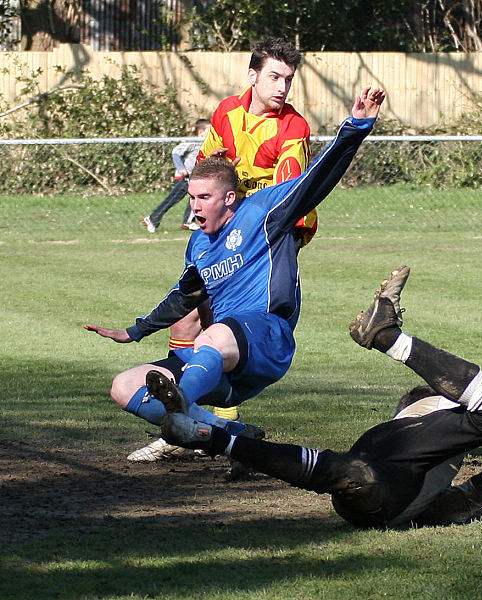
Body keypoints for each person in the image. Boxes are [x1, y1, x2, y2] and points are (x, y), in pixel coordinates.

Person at [84, 87, 387, 461]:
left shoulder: (264, 213)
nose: (194, 208)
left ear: (229, 198)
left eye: (203, 199)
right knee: (125, 386)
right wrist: (135, 331)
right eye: (191, 198)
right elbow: (186, 296)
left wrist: (356, 126)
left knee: (211, 336)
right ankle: (232, 433)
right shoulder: (198, 245)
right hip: (223, 364)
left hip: (266, 340)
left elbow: (318, 177)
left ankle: (181, 407)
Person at [157, 266, 482, 528]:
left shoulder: (440, 450)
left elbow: (458, 503)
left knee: (357, 474)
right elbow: (464, 498)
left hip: (382, 484)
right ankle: (386, 337)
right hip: (388, 469)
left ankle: (206, 436)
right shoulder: (441, 439)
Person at [129, 38, 317, 463]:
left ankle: (211, 431)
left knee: (223, 325)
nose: (283, 87)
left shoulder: (293, 128)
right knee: (190, 318)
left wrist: (241, 225)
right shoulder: (227, 113)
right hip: (224, 226)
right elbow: (210, 168)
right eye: (274, 76)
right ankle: (198, 424)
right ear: (252, 76)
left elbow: (285, 192)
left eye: (289, 79)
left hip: (266, 235)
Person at [141, 118, 211, 234]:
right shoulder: (193, 141)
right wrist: (181, 168)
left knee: (198, 196)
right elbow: (176, 152)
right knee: (173, 199)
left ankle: (188, 221)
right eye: (210, 129)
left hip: (194, 177)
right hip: (184, 178)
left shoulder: (208, 143)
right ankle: (152, 219)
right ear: (201, 132)